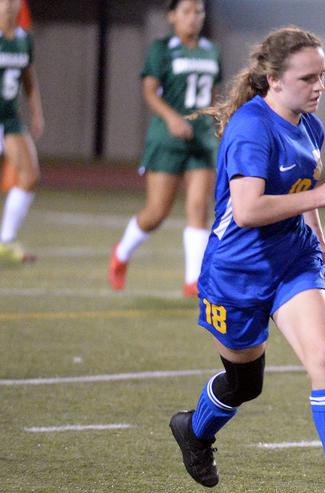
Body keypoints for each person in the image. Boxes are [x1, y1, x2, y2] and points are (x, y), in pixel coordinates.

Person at [168, 26, 325, 493]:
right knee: (245, 384)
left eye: (323, 76)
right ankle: (193, 430)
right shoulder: (251, 127)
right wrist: (320, 196)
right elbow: (247, 210)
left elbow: (300, 190)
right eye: (308, 78)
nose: (319, 86)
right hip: (236, 273)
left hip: (292, 260)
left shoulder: (309, 125)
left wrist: (321, 241)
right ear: (273, 80)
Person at [108, 0, 220, 297]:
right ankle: (121, 252)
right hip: (167, 140)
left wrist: (219, 120)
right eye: (186, 12)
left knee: (199, 207)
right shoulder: (161, 49)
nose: (193, 18)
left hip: (201, 141)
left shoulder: (211, 50)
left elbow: (212, 93)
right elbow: (149, 91)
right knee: (157, 212)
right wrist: (172, 118)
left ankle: (193, 281)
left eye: (198, 12)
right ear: (172, 16)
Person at [0, 0, 43, 264]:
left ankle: (6, 239)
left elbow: (28, 76)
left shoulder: (24, 39)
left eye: (13, 0)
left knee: (30, 176)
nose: (7, 5)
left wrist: (36, 111)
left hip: (10, 118)